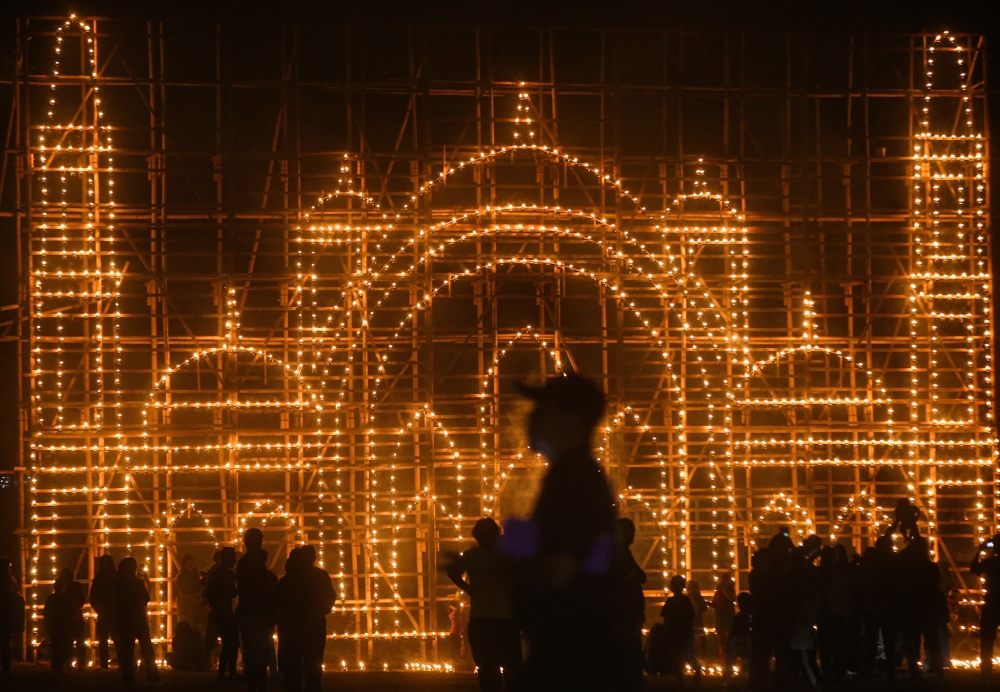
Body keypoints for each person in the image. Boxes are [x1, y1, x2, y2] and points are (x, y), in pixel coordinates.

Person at [506, 375, 617, 692]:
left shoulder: (575, 482)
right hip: (568, 653)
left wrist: (503, 562)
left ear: (571, 421)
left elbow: (561, 567)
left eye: (542, 410)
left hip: (569, 658)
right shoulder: (569, 477)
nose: (530, 417)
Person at [447, 517, 523, 692]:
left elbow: (452, 571)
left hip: (481, 618)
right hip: (506, 618)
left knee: (488, 669)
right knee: (513, 668)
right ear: (497, 535)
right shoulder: (509, 555)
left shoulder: (472, 556)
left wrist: (468, 588)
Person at [277, 544, 336, 692]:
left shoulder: (289, 579)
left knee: (292, 665)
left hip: (292, 626)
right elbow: (330, 597)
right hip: (314, 624)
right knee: (314, 664)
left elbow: (280, 601)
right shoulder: (320, 576)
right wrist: (320, 611)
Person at [748, 531, 797, 692]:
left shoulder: (763, 572)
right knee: (780, 657)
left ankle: (758, 685)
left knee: (762, 658)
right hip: (778, 619)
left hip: (766, 619)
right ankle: (778, 684)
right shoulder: (781, 571)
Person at [236, 528, 276, 692]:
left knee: (251, 654)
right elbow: (265, 591)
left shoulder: (244, 564)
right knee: (259, 654)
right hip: (257, 614)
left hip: (247, 612)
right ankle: (259, 686)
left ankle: (253, 685)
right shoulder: (256, 565)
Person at [611, 518, 646, 692]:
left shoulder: (620, 553)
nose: (633, 536)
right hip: (625, 616)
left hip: (625, 615)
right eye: (630, 532)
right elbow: (640, 576)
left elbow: (640, 575)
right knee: (629, 658)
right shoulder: (619, 554)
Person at [114, 557, 160, 687]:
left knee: (128, 649)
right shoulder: (137, 582)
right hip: (138, 618)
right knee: (146, 646)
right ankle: (152, 674)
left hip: (124, 619)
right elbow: (146, 598)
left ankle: (128, 677)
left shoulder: (118, 583)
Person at [206, 546, 239, 682]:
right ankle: (228, 671)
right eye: (232, 557)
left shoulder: (226, 573)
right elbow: (212, 594)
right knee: (230, 641)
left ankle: (227, 671)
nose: (234, 560)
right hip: (222, 612)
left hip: (225, 611)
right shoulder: (220, 574)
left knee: (230, 641)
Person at [660, 574, 700, 685]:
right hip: (686, 631)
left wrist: (665, 631)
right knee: (688, 653)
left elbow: (666, 618)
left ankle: (679, 676)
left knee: (675, 655)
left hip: (675, 632)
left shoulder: (670, 601)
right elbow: (691, 615)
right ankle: (696, 671)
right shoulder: (686, 601)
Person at [971, 533, 1000, 681]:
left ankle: (986, 672)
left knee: (986, 640)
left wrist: (979, 551)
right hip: (993, 603)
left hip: (991, 604)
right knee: (987, 639)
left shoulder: (990, 562)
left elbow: (974, 569)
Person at [90, 554, 118, 670]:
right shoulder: (108, 579)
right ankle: (104, 664)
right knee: (105, 639)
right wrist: (99, 608)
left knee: (117, 638)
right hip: (107, 612)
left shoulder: (115, 579)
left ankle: (120, 663)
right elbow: (92, 598)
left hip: (113, 612)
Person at [0, 556, 25, 674]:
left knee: (5, 641)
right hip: (5, 613)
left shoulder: (10, 580)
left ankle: (6, 665)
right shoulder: (7, 580)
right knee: (5, 641)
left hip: (7, 615)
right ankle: (5, 665)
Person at [723, 592, 752, 681]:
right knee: (746, 659)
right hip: (740, 640)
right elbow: (742, 629)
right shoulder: (744, 616)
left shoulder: (739, 616)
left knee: (731, 660)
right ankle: (740, 676)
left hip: (735, 640)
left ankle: (728, 678)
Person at [176, 554, 207, 632]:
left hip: (197, 610)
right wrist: (198, 596)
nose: (190, 565)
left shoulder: (196, 576)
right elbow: (183, 594)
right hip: (186, 610)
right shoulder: (180, 577)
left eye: (191, 563)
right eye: (187, 563)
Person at [712, 575, 736, 661]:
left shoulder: (730, 590)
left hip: (728, 618)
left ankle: (730, 657)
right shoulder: (717, 591)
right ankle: (723, 657)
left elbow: (731, 598)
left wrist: (723, 589)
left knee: (729, 637)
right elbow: (715, 603)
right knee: (721, 639)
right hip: (719, 618)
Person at [687, 579, 708, 660]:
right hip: (689, 622)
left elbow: (703, 610)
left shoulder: (700, 598)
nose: (692, 590)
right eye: (690, 588)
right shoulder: (686, 598)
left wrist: (697, 607)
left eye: (694, 588)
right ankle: (691, 655)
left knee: (702, 638)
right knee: (690, 639)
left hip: (698, 622)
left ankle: (704, 655)